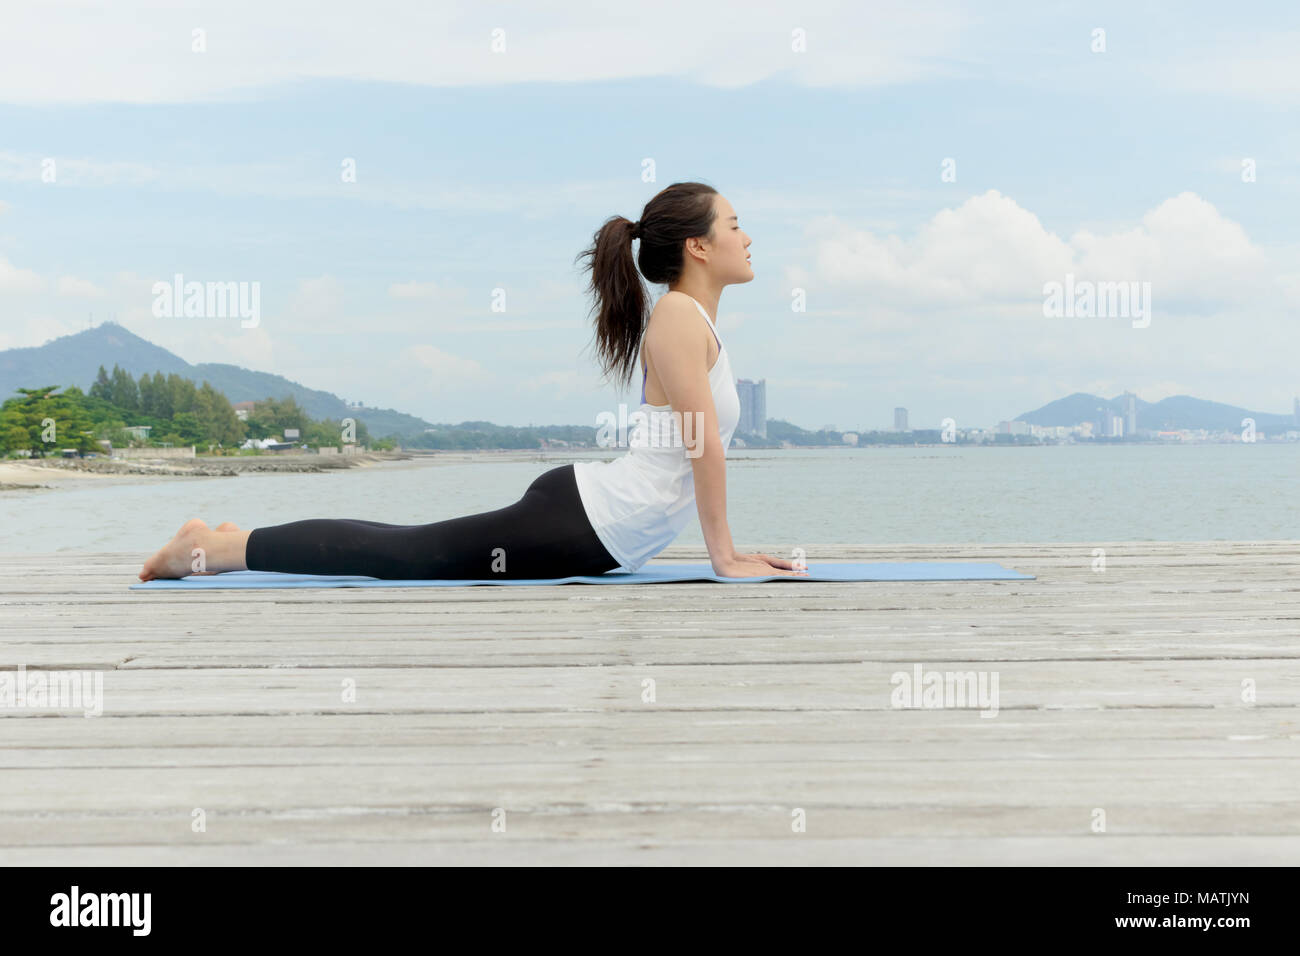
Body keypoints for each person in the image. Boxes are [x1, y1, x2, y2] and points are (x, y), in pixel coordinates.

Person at [138, 182, 807, 581]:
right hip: (585, 523)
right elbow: (703, 446)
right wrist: (725, 558)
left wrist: (731, 549)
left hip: (597, 522)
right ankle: (213, 548)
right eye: (736, 226)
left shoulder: (689, 320)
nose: (747, 239)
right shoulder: (680, 319)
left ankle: (228, 537)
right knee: (402, 555)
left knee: (406, 549)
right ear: (696, 246)